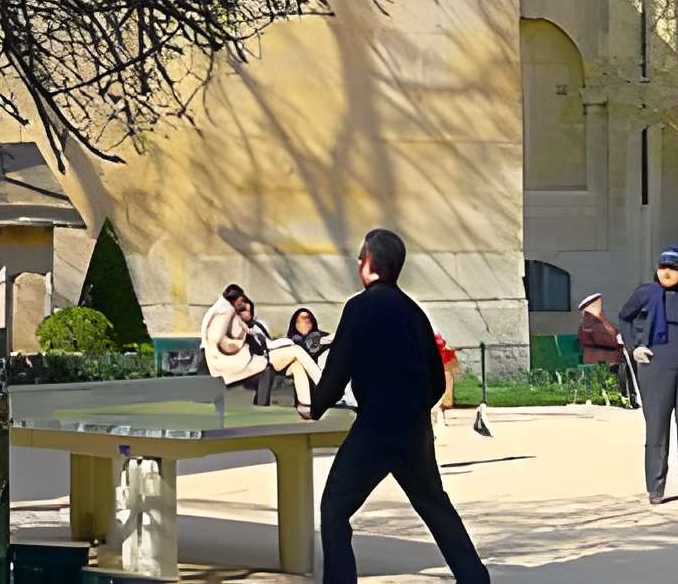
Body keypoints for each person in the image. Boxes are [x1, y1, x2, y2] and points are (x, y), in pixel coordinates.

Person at [301, 227, 491, 584]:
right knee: (435, 507)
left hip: (375, 428)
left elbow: (339, 366)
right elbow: (436, 379)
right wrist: (414, 409)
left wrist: (314, 407)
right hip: (413, 428)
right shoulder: (415, 313)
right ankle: (475, 578)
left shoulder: (359, 308)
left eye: (361, 256)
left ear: (369, 263)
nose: (358, 261)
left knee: (334, 509)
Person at [618, 246, 678, 504]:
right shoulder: (646, 293)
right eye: (662, 267)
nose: (666, 272)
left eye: (672, 268)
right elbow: (624, 317)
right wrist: (634, 346)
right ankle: (656, 488)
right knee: (656, 429)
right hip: (655, 368)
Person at [203, 285, 281, 404]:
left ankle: (261, 405)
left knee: (267, 369)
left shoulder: (257, 327)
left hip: (245, 366)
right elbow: (218, 340)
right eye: (243, 310)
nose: (247, 313)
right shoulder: (226, 316)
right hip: (223, 365)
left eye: (249, 310)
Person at [271, 305, 331, 409]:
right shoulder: (291, 341)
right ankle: (325, 388)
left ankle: (306, 403)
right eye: (301, 320)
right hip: (288, 368)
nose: (305, 324)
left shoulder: (321, 335)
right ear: (295, 323)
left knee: (299, 365)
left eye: (308, 320)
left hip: (319, 368)